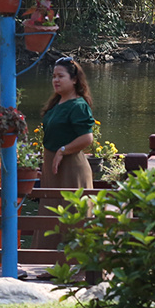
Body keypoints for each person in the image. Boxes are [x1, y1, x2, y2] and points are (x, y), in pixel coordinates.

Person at [36, 57, 95, 260]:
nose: (56, 80)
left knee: (74, 214)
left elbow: (87, 138)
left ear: (75, 79)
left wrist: (63, 150)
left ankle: (79, 265)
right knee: (49, 213)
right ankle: (46, 263)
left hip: (71, 167)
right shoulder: (56, 103)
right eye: (54, 76)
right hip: (53, 167)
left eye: (60, 76)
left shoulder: (78, 105)